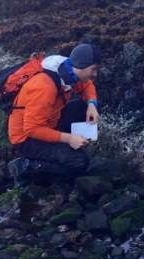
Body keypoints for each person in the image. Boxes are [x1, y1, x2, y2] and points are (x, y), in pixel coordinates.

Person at [6, 43, 101, 186]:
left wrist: (92, 104)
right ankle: (25, 166)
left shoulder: (67, 71)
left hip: (50, 121)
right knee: (79, 163)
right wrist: (69, 138)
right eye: (93, 69)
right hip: (26, 139)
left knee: (85, 106)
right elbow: (32, 129)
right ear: (81, 66)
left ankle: (69, 146)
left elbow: (87, 85)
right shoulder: (44, 87)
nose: (95, 74)